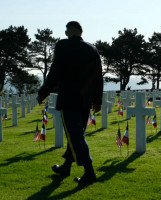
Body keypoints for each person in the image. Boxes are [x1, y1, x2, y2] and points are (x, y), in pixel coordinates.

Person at [37, 21, 103, 184]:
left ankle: (89, 172)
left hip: (69, 98)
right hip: (85, 100)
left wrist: (43, 92)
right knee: (75, 133)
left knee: (75, 135)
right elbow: (98, 77)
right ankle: (67, 165)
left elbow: (55, 71)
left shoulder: (63, 45)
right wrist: (97, 100)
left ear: (68, 32)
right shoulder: (92, 49)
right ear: (81, 32)